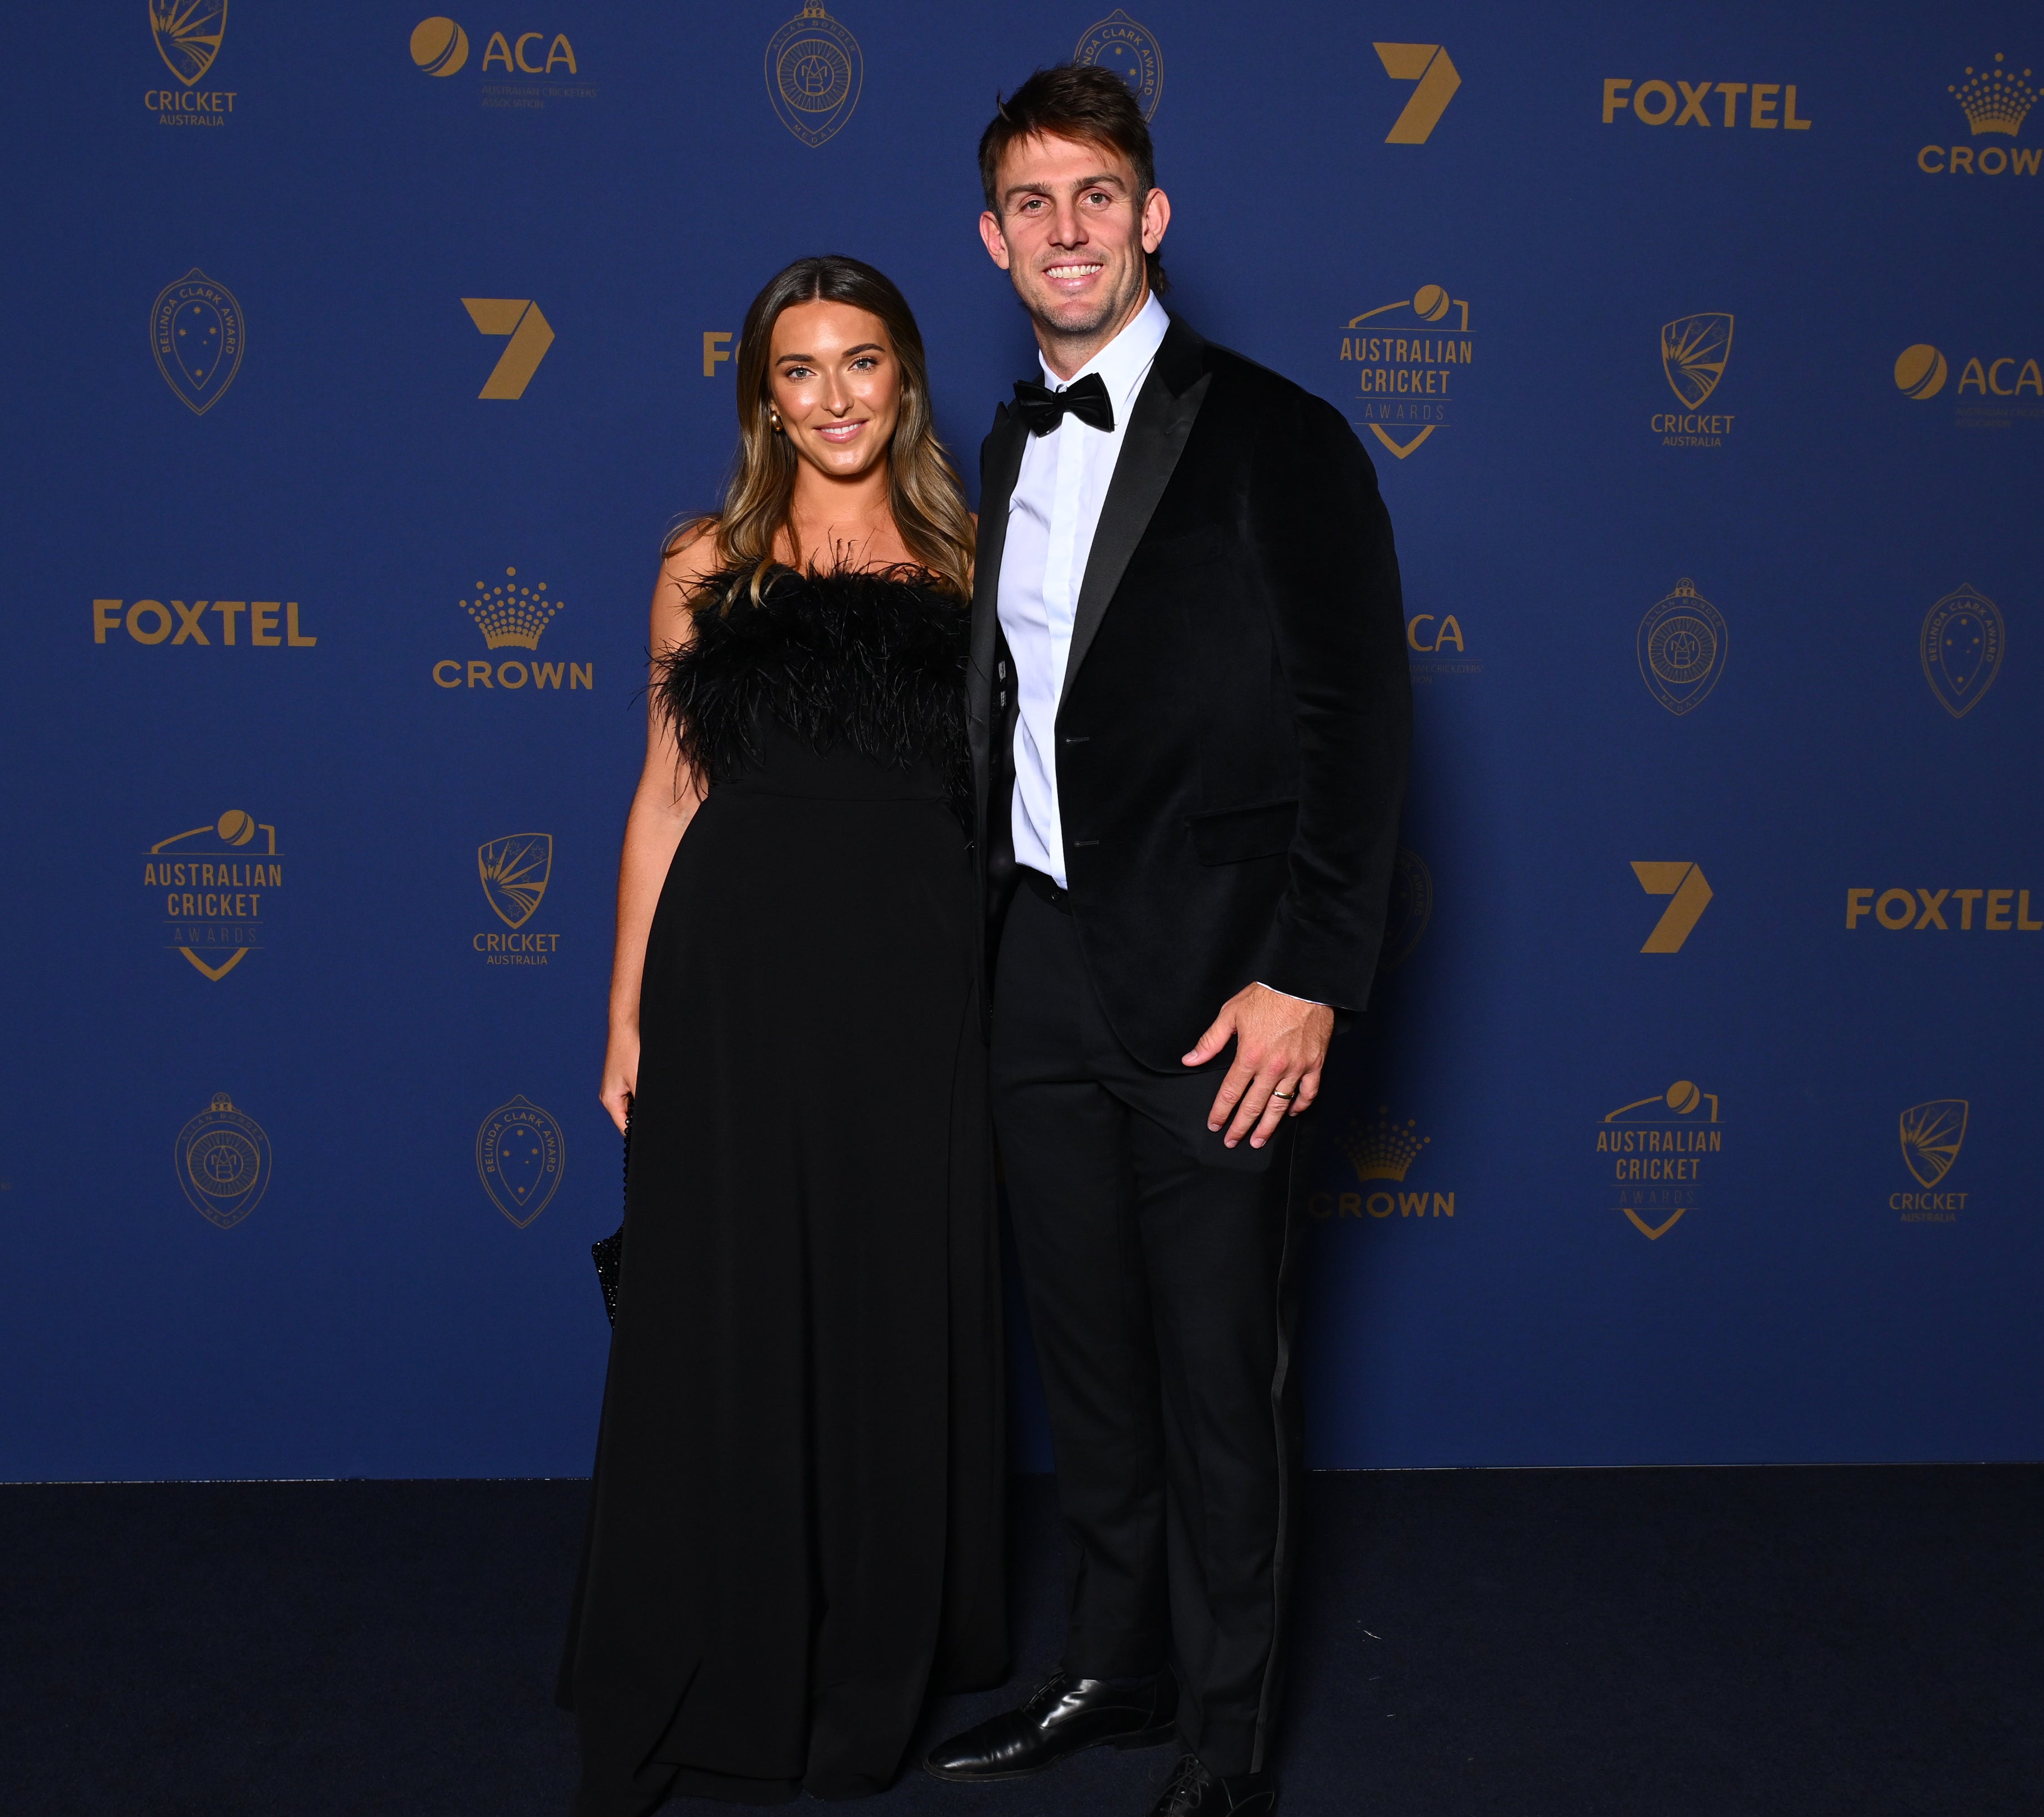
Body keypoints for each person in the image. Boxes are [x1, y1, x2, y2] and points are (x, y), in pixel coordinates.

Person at [921, 67, 1413, 1817]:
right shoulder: (998, 444)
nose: (1067, 231)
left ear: (1153, 216)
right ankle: (1111, 1667)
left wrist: (1313, 977)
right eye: (1032, 206)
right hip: (1036, 973)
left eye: (1097, 196)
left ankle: (1221, 1738)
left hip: (1225, 987)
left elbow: (1362, 730)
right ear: (994, 240)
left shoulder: (1279, 434)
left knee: (1219, 1375)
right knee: (1091, 1361)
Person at [558, 255, 1007, 1816]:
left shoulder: (969, 555)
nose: (833, 397)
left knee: (890, 1300)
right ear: (762, 392)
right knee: (731, 1301)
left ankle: (873, 1643)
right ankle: (721, 1637)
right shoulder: (706, 559)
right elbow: (666, 797)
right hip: (735, 982)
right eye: (799, 369)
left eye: (861, 363)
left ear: (905, 379)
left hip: (914, 981)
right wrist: (625, 1010)